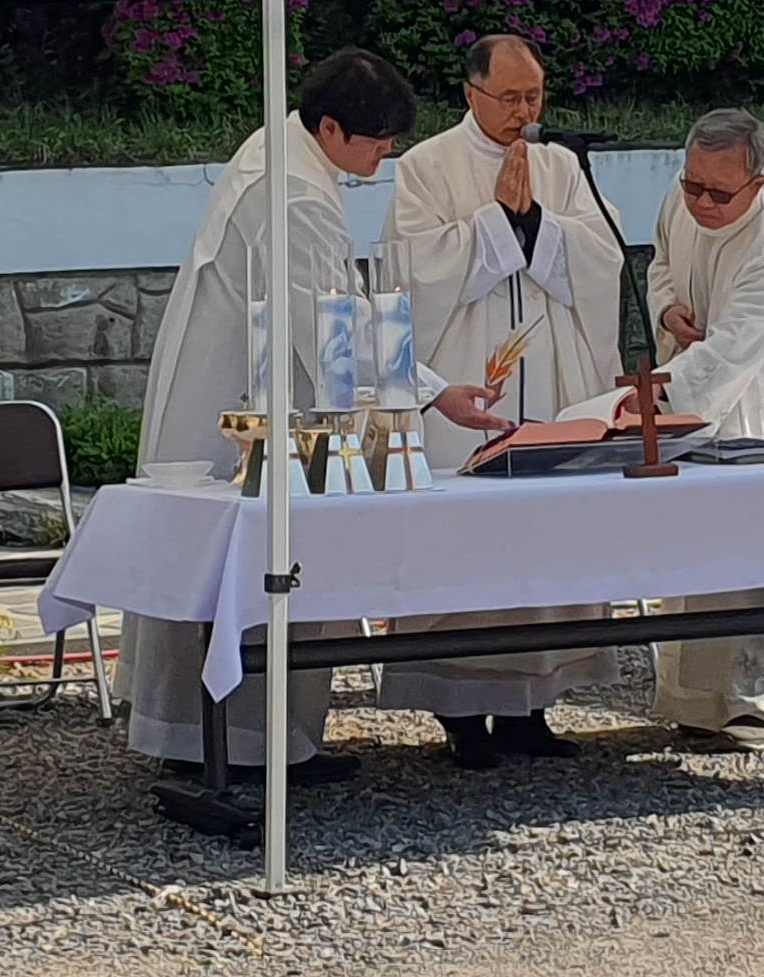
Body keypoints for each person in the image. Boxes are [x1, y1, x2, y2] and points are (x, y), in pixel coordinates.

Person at [125, 50, 497, 782]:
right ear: (331, 128)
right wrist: (431, 390)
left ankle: (234, 738)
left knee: (248, 569)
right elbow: (331, 328)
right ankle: (245, 745)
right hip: (251, 400)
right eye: (378, 141)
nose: (385, 156)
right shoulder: (293, 195)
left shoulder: (280, 147)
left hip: (232, 376)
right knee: (267, 566)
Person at [381, 34, 628, 765]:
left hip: (547, 379)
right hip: (467, 383)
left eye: (534, 96)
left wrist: (537, 225)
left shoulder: (562, 164)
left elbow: (605, 257)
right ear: (472, 94)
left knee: (545, 543)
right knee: (464, 546)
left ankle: (531, 707)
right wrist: (497, 224)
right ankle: (459, 711)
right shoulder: (427, 165)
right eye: (510, 98)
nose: (524, 111)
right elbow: (411, 269)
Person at [631, 110, 764, 748]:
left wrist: (654, 398)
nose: (702, 203)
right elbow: (660, 262)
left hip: (759, 408)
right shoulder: (679, 200)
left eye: (720, 193)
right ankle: (694, 697)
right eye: (693, 186)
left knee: (761, 556)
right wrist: (667, 309)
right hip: (696, 397)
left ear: (758, 184)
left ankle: (758, 703)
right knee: (698, 552)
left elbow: (729, 354)